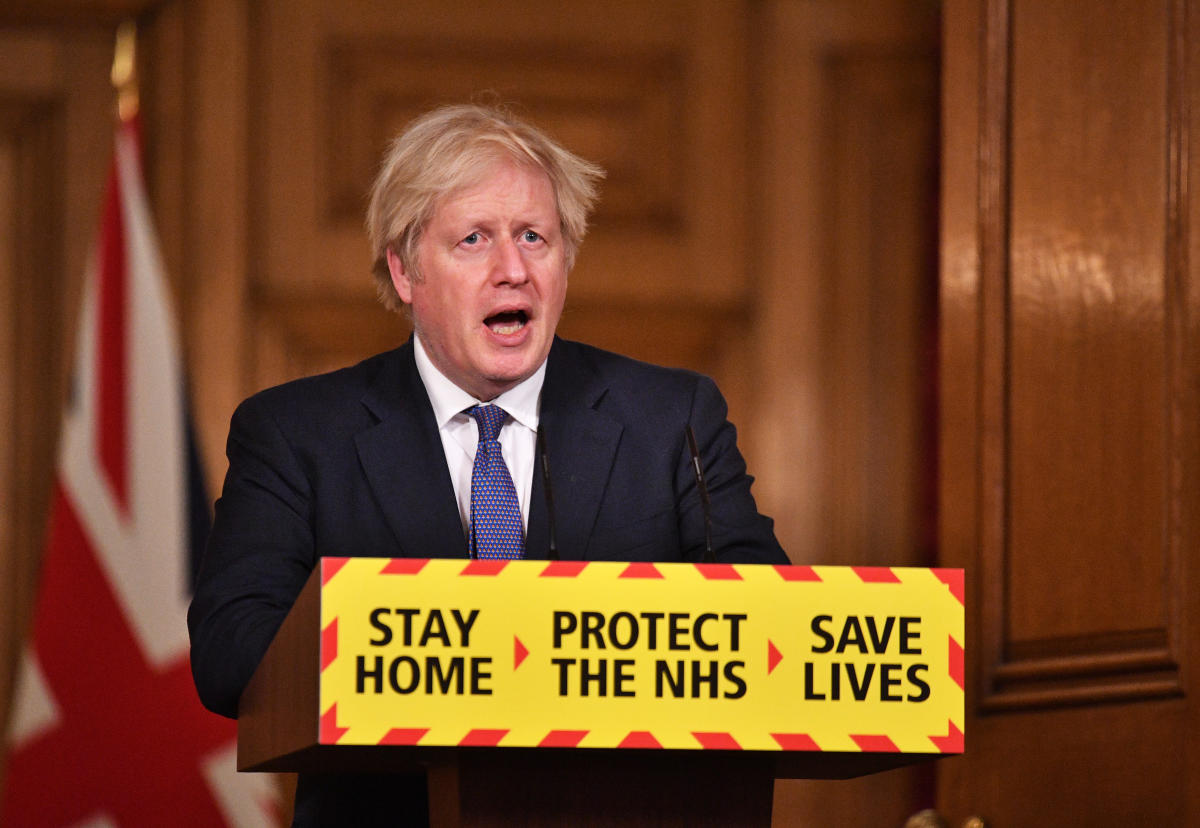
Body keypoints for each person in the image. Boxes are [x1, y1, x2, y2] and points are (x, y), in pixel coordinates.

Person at [188, 103, 786, 826]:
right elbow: (231, 653)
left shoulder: (673, 421)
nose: (514, 271)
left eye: (535, 237)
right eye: (474, 239)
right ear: (405, 271)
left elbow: (771, 628)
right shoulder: (297, 434)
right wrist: (454, 651)